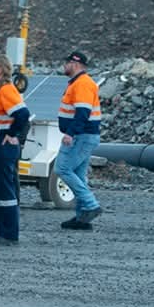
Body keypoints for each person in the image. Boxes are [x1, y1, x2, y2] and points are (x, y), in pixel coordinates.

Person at [56, 50, 104, 230]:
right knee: (78, 174)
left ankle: (90, 205)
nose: (64, 66)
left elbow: (82, 112)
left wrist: (71, 133)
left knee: (62, 168)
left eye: (66, 63)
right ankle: (82, 218)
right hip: (84, 135)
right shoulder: (78, 83)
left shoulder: (82, 84)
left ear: (75, 64)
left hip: (81, 135)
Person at [0, 56, 31, 245]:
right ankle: (2, 229)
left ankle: (10, 232)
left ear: (0, 70)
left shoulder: (6, 91)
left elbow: (22, 114)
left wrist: (12, 134)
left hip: (4, 142)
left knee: (4, 186)